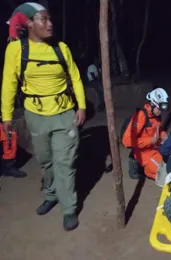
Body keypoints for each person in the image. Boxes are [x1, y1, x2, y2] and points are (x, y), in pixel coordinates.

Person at [2, 3, 86, 231]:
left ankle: (69, 208)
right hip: (35, 115)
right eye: (44, 19)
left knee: (65, 162)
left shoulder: (61, 48)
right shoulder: (16, 50)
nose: (50, 24)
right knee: (45, 160)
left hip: (63, 114)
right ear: (29, 23)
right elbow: (9, 83)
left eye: (50, 19)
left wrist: (81, 106)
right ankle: (51, 195)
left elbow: (76, 77)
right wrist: (7, 115)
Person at [121, 87, 169, 180]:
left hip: (155, 147)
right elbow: (126, 141)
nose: (161, 111)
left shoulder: (156, 114)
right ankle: (136, 162)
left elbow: (157, 128)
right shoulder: (141, 116)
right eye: (159, 108)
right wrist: (149, 141)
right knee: (163, 173)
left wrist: (163, 135)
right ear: (152, 104)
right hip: (143, 152)